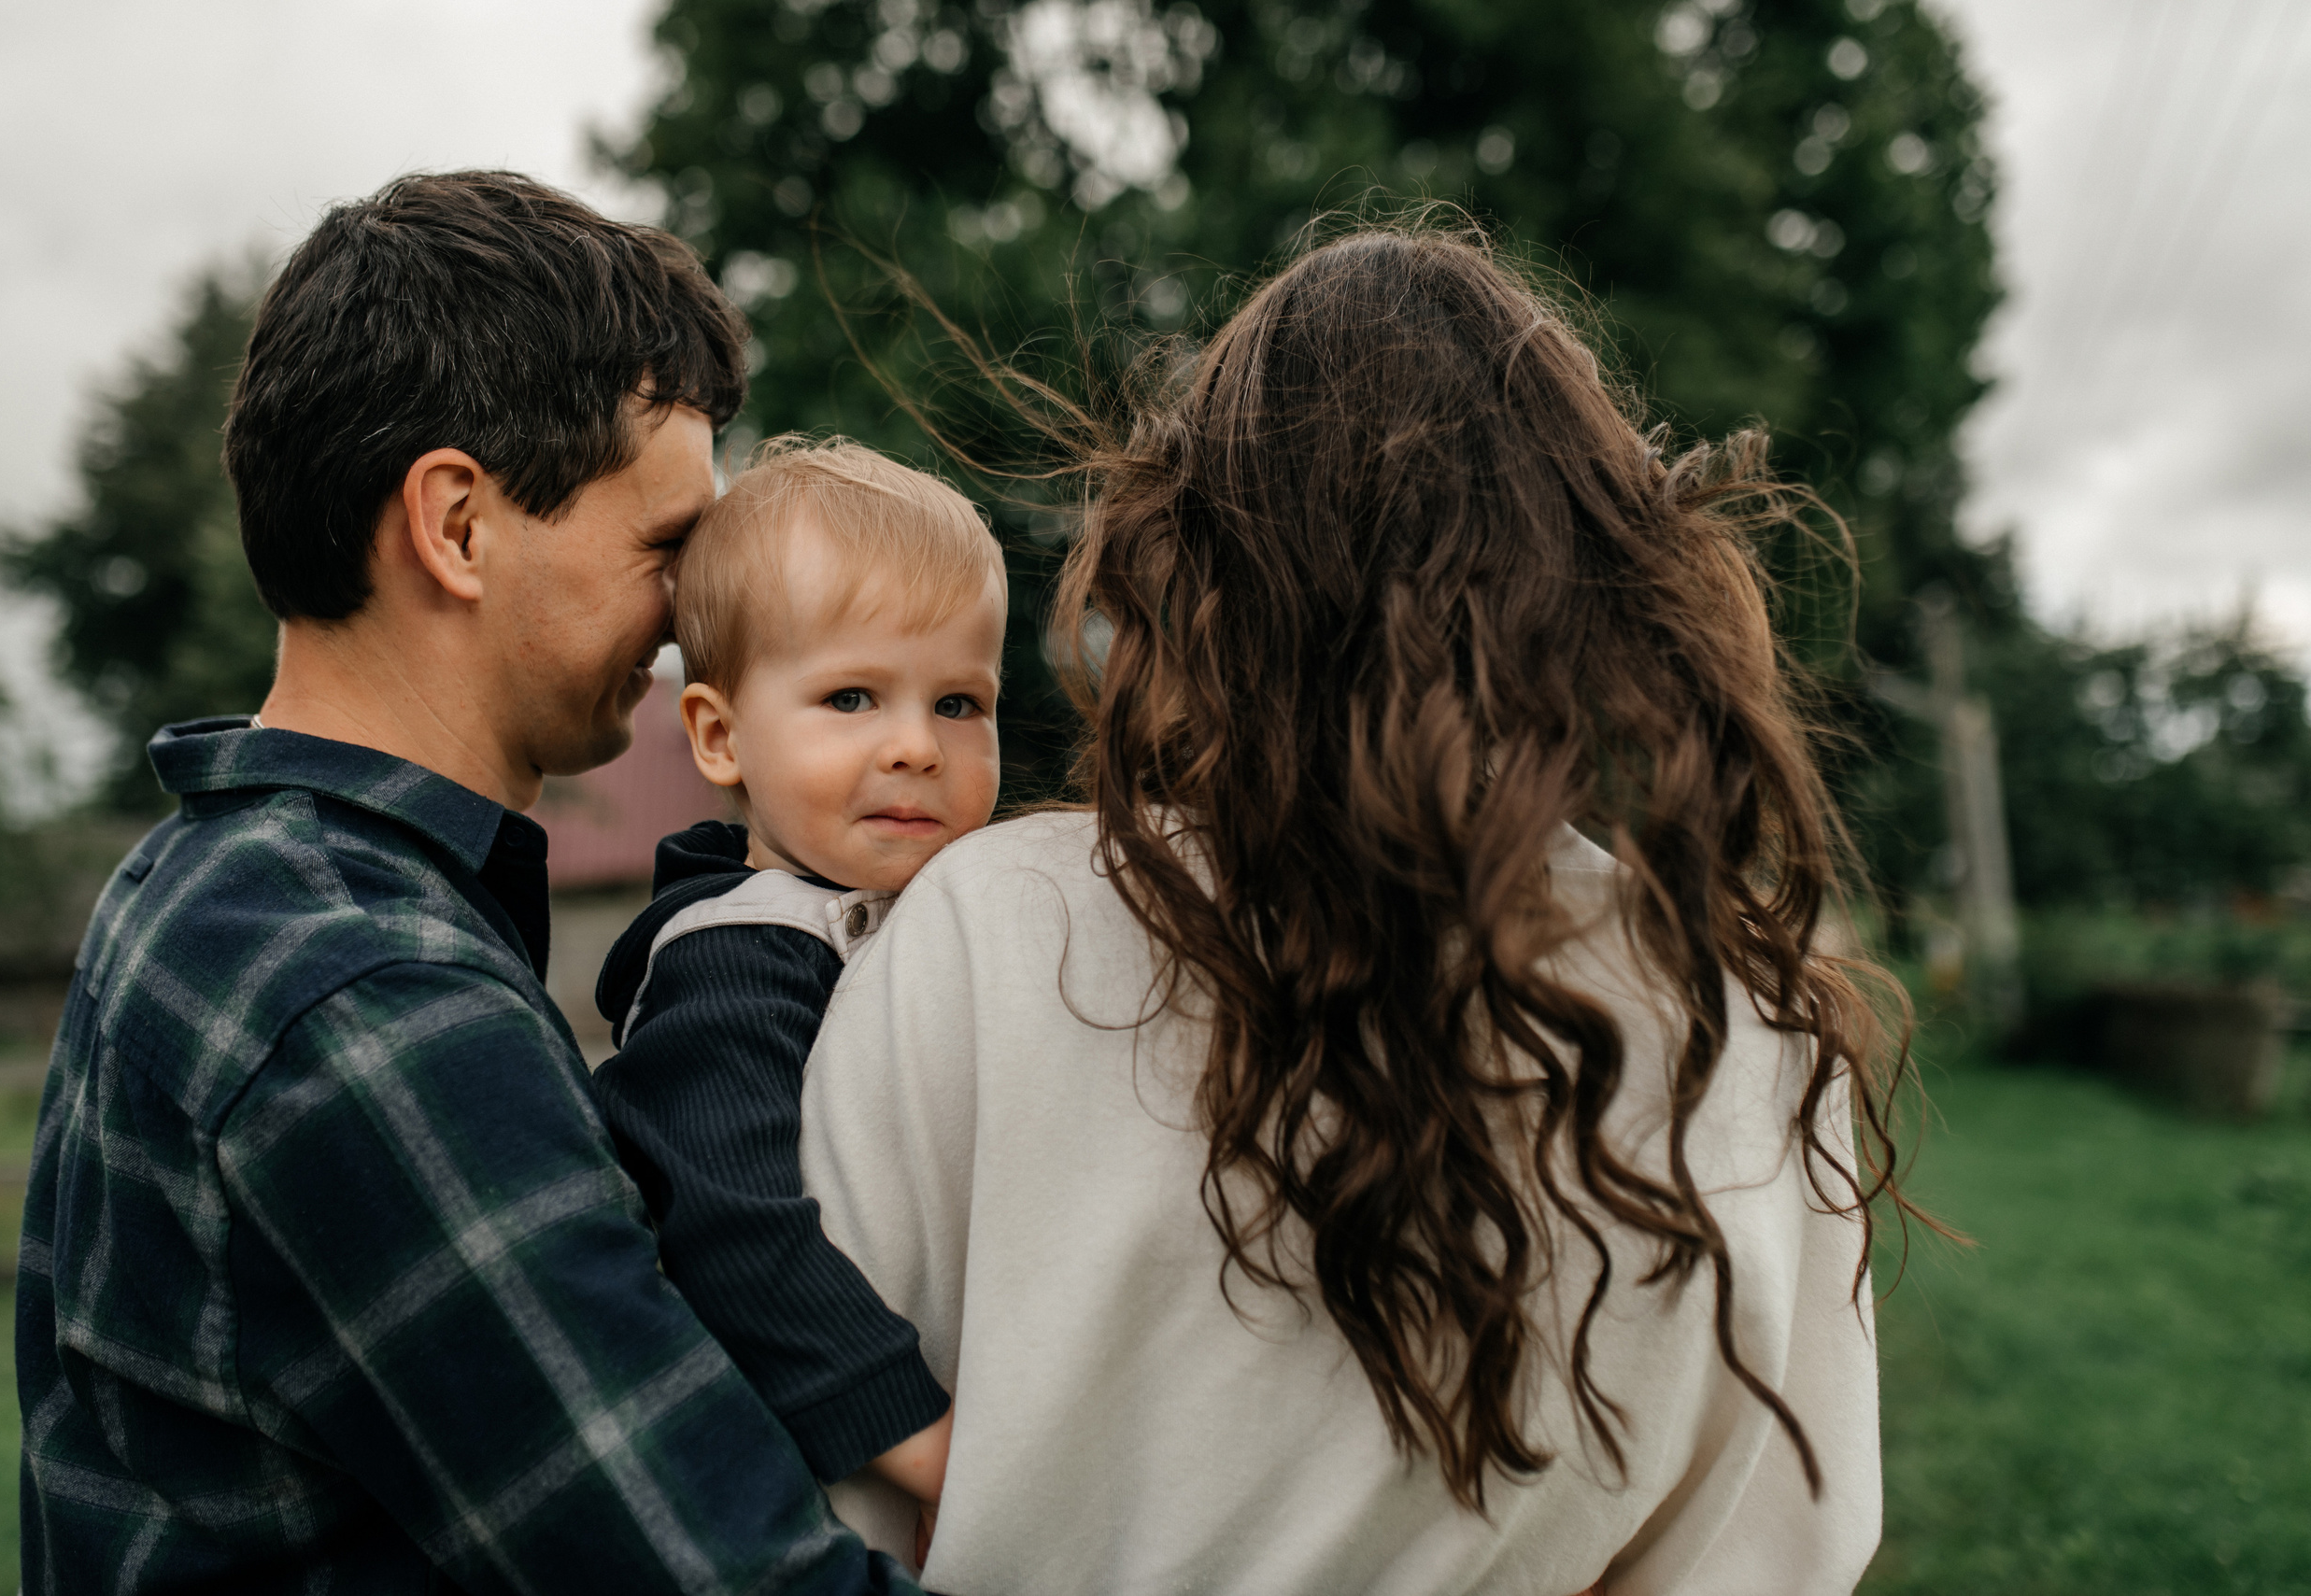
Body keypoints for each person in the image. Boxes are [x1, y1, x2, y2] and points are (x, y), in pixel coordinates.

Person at [796, 228, 1904, 1593]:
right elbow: (1772, 1561)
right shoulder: (1750, 1032)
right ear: (1581, 568)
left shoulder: (982, 931)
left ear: (1192, 564)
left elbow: (813, 1479)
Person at [15, 172, 917, 1594]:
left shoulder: (215, 878)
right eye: (667, 546)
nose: (695, 614)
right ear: (457, 526)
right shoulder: (363, 991)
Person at [589, 437, 1008, 1558]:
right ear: (720, 736)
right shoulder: (739, 955)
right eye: (853, 695)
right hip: (836, 1483)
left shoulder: (954, 920)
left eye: (961, 701)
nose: (916, 745)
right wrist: (927, 1443)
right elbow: (728, 1223)